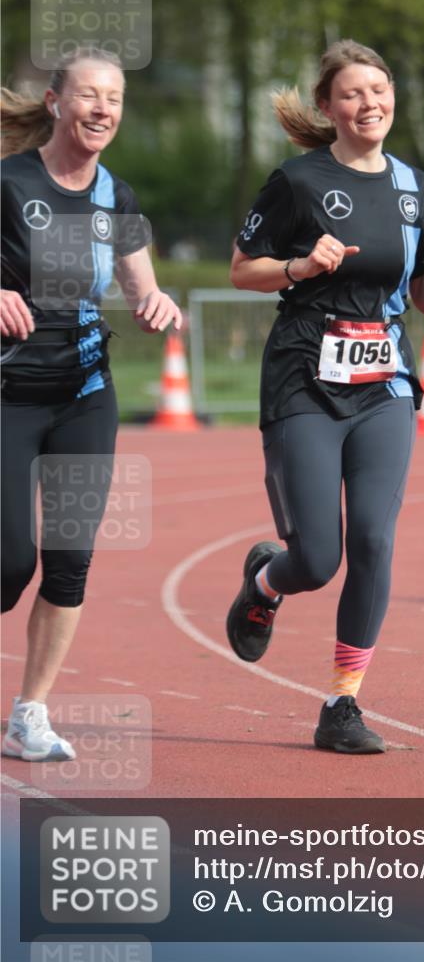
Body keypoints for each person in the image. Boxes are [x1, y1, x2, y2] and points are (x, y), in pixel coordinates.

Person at [226, 40, 424, 754]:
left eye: (379, 89)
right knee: (317, 559)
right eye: (352, 94)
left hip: (383, 385)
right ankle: (267, 582)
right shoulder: (298, 181)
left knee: (372, 540)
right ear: (329, 108)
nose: (369, 104)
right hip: (304, 378)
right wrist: (301, 265)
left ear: (392, 96)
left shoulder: (413, 186)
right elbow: (243, 270)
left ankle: (342, 705)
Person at [1, 47, 182, 761]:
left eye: (114, 97)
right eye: (88, 95)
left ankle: (29, 715)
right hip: (8, 395)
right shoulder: (9, 183)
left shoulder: (118, 198)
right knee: (12, 561)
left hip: (83, 395)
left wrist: (156, 303)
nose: (103, 108)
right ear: (55, 103)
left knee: (70, 561)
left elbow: (142, 287)